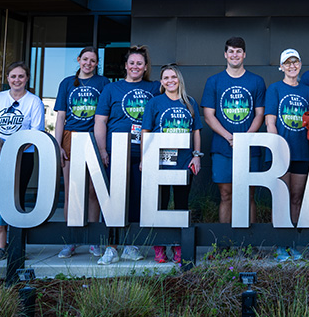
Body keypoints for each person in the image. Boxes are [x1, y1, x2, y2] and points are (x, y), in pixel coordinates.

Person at [94, 45, 161, 264]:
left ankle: (132, 245)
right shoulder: (111, 89)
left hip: (144, 154)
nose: (135, 66)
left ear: (145, 67)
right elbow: (100, 121)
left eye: (139, 63)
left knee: (137, 200)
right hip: (117, 151)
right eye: (131, 63)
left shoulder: (154, 88)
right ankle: (111, 247)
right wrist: (103, 150)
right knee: (113, 201)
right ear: (125, 66)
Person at [201, 36, 266, 226]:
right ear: (225, 54)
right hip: (222, 147)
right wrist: (229, 137)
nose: (234, 55)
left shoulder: (256, 81)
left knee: (249, 194)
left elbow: (260, 114)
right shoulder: (214, 81)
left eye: (238, 51)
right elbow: (208, 115)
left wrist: (245, 139)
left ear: (244, 55)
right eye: (231, 51)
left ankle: (251, 243)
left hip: (249, 148)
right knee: (225, 195)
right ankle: (224, 245)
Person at [141, 64, 202, 264]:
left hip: (183, 163)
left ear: (179, 80)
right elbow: (146, 132)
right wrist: (145, 158)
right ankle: (160, 246)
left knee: (181, 205)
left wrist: (196, 156)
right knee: (160, 205)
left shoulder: (190, 102)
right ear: (161, 82)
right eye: (166, 78)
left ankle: (178, 245)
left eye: (173, 77)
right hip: (160, 163)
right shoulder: (155, 103)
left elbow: (196, 132)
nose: (170, 81)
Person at [54, 47, 109, 259]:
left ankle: (94, 240)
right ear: (78, 60)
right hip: (71, 137)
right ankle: (71, 239)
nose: (88, 63)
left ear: (97, 63)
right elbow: (60, 117)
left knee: (94, 190)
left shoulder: (103, 83)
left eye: (93, 60)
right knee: (71, 192)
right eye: (85, 59)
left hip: (94, 138)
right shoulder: (67, 83)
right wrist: (57, 145)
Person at [0, 61, 45, 212]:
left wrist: (13, 151)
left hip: (23, 156)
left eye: (21, 76)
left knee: (17, 196)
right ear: (7, 78)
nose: (17, 80)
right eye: (13, 76)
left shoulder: (34, 101)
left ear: (27, 78)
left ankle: (17, 234)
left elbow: (36, 132)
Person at [265, 48, 309, 262]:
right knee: (281, 199)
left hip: (302, 151)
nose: (292, 66)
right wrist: (278, 150)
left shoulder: (308, 91)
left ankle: (292, 244)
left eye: (295, 62)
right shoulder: (274, 89)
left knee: (296, 198)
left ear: (300, 64)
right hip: (281, 153)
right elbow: (270, 122)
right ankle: (280, 245)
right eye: (287, 63)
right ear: (281, 66)